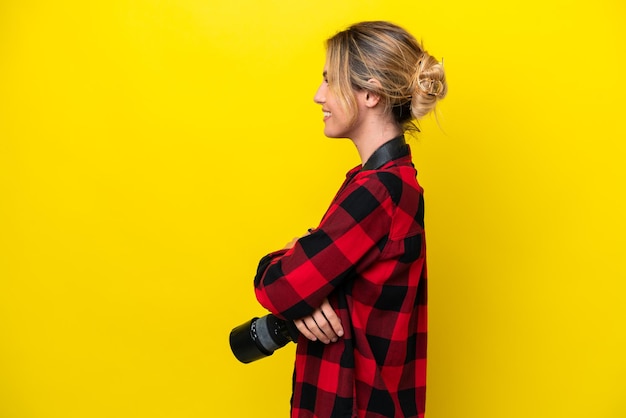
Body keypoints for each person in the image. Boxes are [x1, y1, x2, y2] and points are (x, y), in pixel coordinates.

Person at [253, 21, 447, 418]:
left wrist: (293, 264)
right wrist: (307, 291)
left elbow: (277, 284)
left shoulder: (377, 192)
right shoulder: (393, 183)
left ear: (371, 93)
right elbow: (327, 281)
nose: (318, 95)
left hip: (349, 405)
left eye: (329, 81)